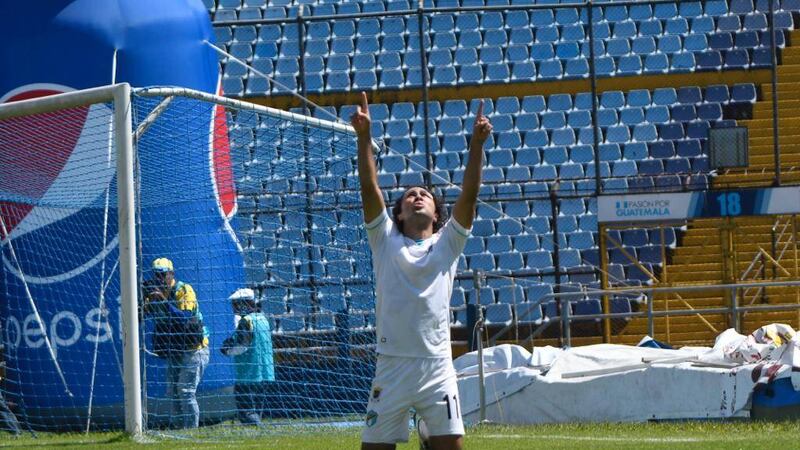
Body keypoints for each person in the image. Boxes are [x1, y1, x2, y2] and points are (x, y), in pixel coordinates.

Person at [352, 92, 491, 450]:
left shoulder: (448, 243)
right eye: (410, 194)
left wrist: (476, 145)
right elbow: (370, 189)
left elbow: (470, 197)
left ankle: (430, 437)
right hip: (392, 366)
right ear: (398, 213)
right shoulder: (384, 240)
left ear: (436, 212)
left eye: (424, 194)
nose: (417, 196)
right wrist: (364, 138)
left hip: (437, 366)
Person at [143, 257, 210, 429]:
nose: (159, 278)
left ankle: (191, 431)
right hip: (174, 348)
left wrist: (164, 303)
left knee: (185, 392)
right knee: (172, 392)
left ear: (171, 274)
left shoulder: (183, 290)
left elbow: (186, 318)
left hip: (194, 349)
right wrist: (141, 301)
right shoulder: (154, 293)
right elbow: (142, 315)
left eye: (162, 274)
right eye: (156, 275)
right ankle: (180, 431)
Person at [220, 288, 275, 427]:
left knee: (247, 411)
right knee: (256, 408)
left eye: (235, 304)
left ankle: (257, 430)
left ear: (243, 304)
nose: (233, 308)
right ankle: (257, 430)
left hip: (248, 374)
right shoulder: (263, 318)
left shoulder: (246, 321)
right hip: (265, 373)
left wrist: (227, 350)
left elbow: (242, 346)